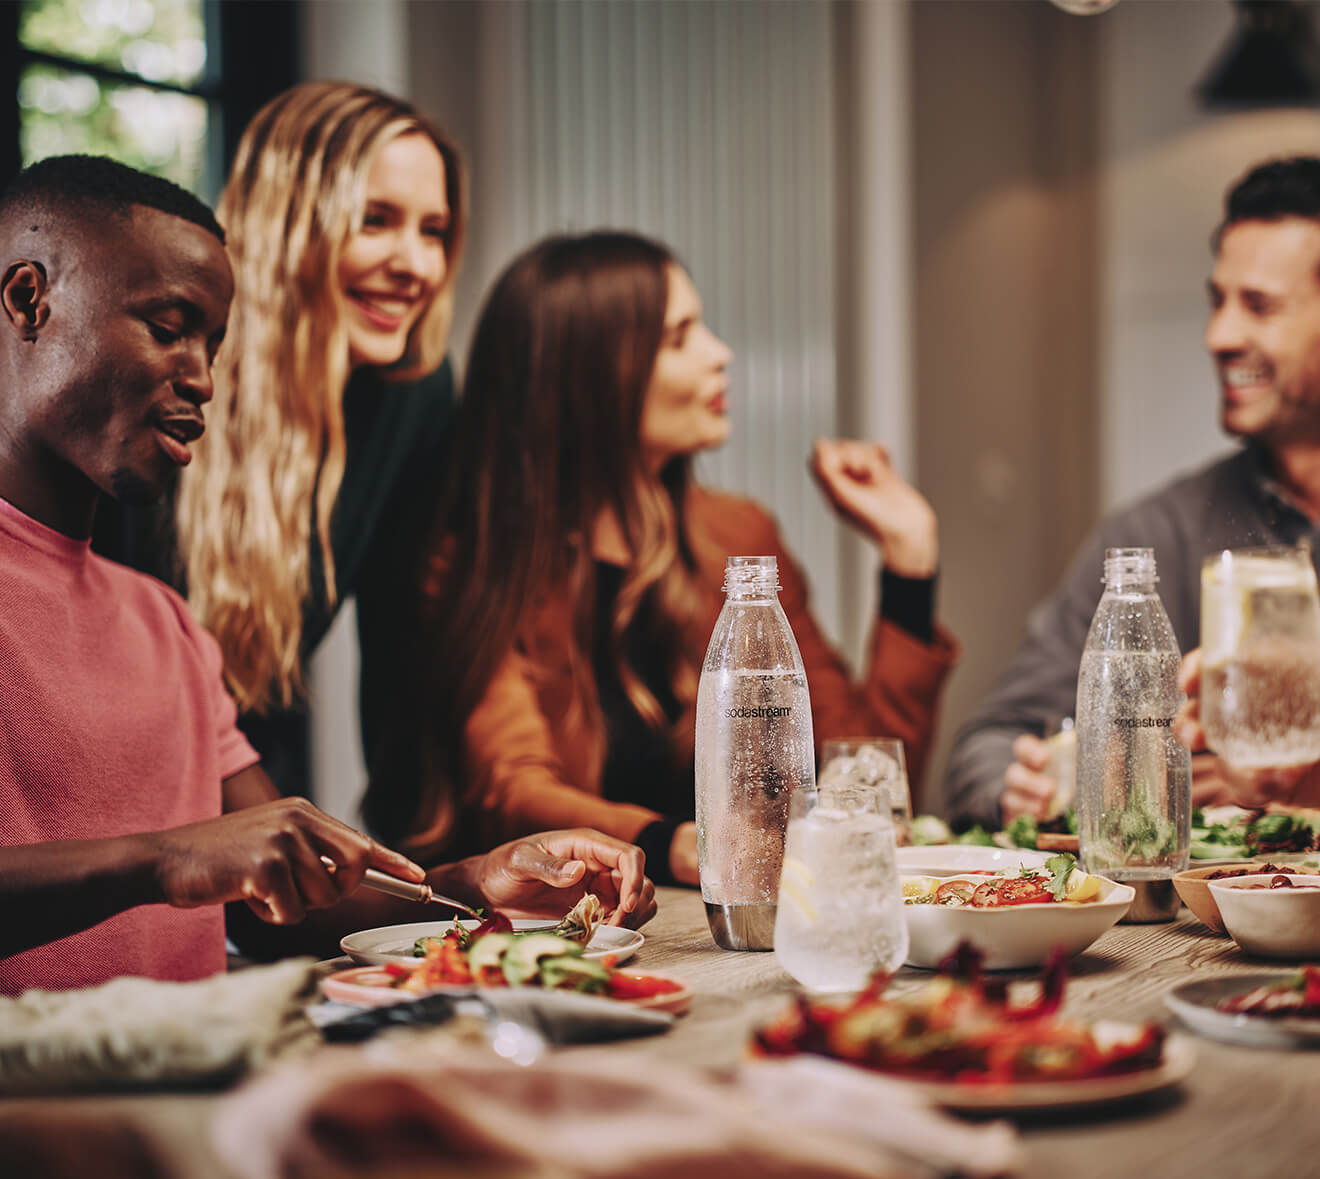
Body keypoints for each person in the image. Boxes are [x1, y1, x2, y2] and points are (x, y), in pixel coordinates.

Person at [0, 156, 655, 995]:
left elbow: (280, 903)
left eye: (213, 345)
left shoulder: (165, 623)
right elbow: (195, 864)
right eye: (168, 327)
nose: (201, 377)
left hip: (200, 1100)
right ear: (29, 299)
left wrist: (474, 889)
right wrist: (167, 859)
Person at [365, 231, 959, 884]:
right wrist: (674, 843)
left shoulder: (738, 536)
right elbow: (512, 790)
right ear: (589, 379)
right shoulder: (474, 561)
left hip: (734, 922)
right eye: (679, 338)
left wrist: (910, 555)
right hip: (568, 927)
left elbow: (858, 776)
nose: (720, 354)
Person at [93, 80, 465, 802]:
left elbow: (400, 652)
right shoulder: (165, 370)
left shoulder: (415, 391)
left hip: (255, 785)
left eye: (433, 231)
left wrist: (433, 876)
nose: (416, 265)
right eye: (375, 220)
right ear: (286, 221)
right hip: (107, 789)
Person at [946, 155, 1320, 831]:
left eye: (1257, 306)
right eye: (1217, 301)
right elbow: (987, 744)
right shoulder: (1158, 535)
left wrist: (1293, 784)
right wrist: (1028, 786)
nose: (1219, 336)